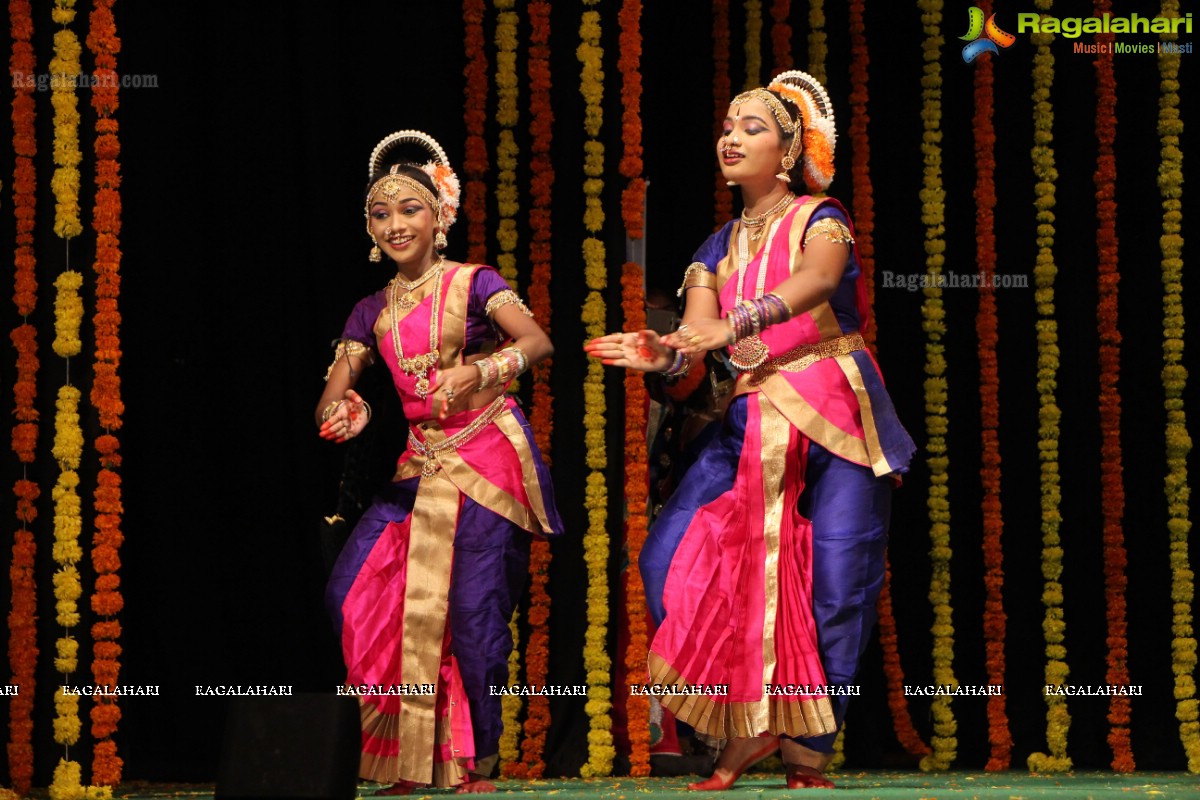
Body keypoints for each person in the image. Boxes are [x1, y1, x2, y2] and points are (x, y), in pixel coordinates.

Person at [586, 70, 915, 790]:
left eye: (753, 126)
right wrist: (664, 353)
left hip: (836, 415)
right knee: (666, 562)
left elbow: (819, 283)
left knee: (838, 582)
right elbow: (698, 342)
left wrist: (728, 327)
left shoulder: (822, 217)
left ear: (789, 152)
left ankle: (804, 748)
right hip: (750, 422)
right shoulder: (715, 247)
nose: (731, 136)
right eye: (728, 125)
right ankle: (746, 718)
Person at [319, 130, 563, 795]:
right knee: (356, 594)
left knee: (474, 614)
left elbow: (536, 342)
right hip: (419, 465)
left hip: (488, 458)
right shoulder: (370, 310)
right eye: (380, 213)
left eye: (409, 209)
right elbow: (334, 396)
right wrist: (350, 413)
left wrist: (481, 369)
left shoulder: (476, 282)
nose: (395, 224)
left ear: (439, 217)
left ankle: (473, 760)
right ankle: (408, 755)